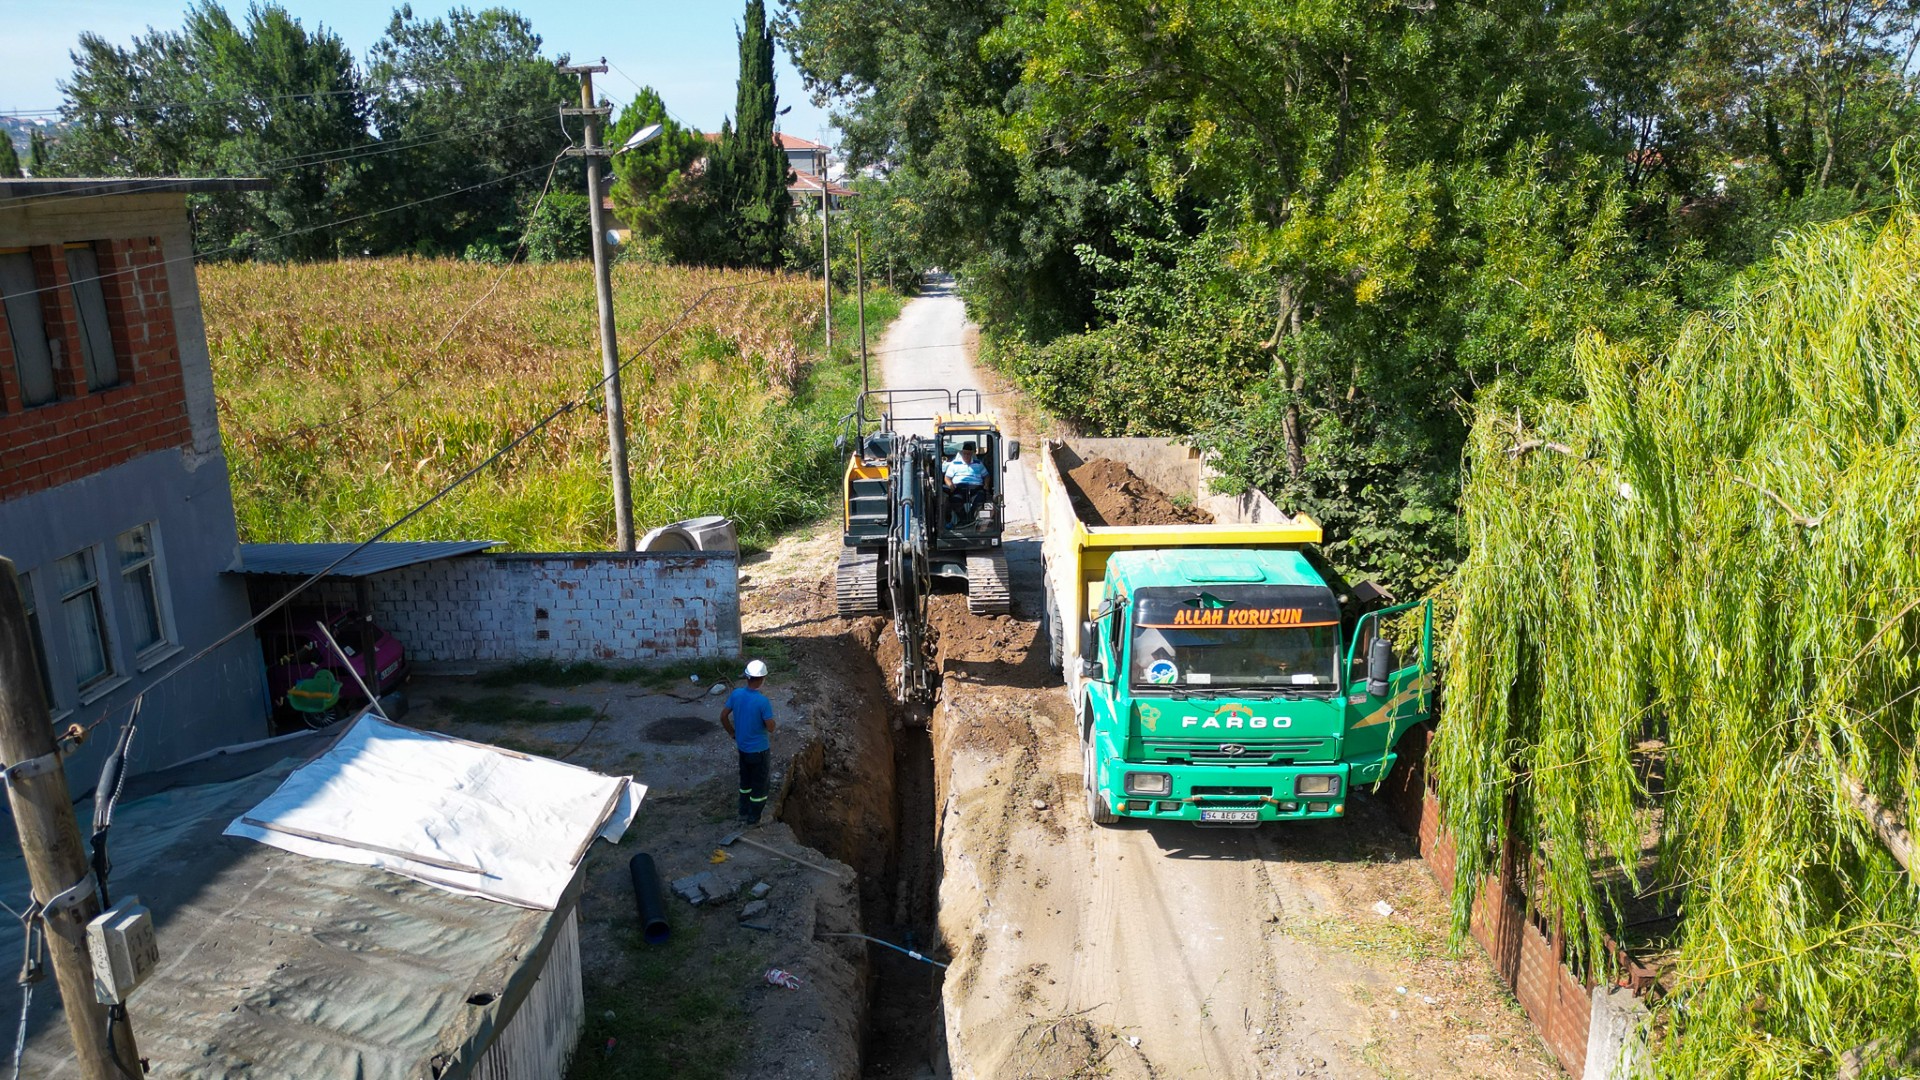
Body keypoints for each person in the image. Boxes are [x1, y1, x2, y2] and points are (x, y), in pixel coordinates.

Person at [720, 659, 776, 825]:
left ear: (747, 677)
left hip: (743, 749)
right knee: (760, 785)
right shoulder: (762, 702)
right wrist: (771, 722)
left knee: (745, 782)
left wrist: (732, 733)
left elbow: (723, 716)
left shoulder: (736, 694)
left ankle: (743, 811)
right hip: (759, 751)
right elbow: (771, 727)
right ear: (762, 679)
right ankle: (753, 818)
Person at [943, 441, 987, 524]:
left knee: (980, 499)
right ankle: (964, 519)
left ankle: (970, 517)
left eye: (968, 454)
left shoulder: (978, 464)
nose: (966, 456)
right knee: (955, 500)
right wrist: (950, 485)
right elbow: (947, 477)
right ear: (962, 453)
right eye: (964, 454)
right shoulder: (954, 464)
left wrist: (986, 485)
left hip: (976, 488)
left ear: (972, 454)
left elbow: (986, 476)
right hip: (959, 488)